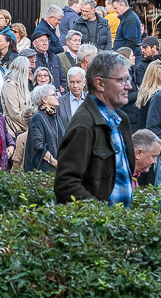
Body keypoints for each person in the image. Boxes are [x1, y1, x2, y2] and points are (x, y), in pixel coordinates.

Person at [55, 50, 132, 206]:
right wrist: (101, 216)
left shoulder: (120, 119)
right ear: (100, 84)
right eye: (121, 80)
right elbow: (66, 185)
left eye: (128, 79)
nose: (129, 86)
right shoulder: (84, 124)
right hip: (100, 228)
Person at [24, 82, 64, 172]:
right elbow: (38, 146)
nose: (57, 97)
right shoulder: (38, 117)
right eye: (54, 95)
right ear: (44, 100)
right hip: (44, 170)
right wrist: (53, 161)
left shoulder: (56, 116)